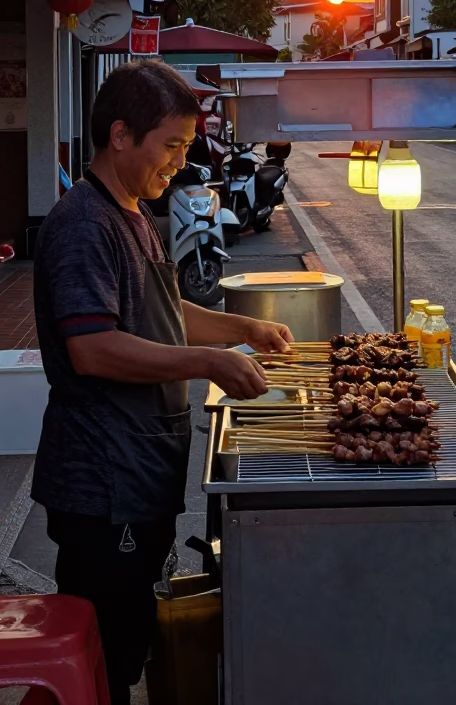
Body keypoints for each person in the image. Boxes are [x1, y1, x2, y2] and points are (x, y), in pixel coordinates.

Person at [32, 60, 293, 705]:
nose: (181, 160)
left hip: (142, 467)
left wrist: (240, 329)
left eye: (186, 144)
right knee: (106, 656)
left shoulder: (136, 214)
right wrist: (208, 364)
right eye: (171, 145)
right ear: (120, 135)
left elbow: (167, 313)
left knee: (129, 638)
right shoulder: (83, 224)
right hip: (103, 483)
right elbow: (92, 348)